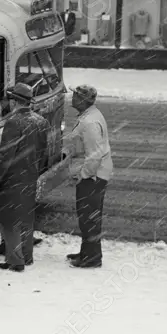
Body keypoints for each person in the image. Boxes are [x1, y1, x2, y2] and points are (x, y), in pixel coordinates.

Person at [0, 83, 48, 272]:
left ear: (15, 101)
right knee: (26, 217)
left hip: (13, 177)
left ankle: (15, 260)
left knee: (10, 220)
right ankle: (27, 255)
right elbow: (42, 152)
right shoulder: (40, 121)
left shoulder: (13, 122)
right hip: (30, 175)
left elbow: (6, 156)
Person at [64, 85, 113, 269]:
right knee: (88, 215)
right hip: (96, 173)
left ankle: (92, 257)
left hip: (93, 176)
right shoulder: (89, 116)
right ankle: (87, 251)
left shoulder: (90, 122)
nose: (72, 98)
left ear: (84, 100)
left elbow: (94, 154)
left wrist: (83, 175)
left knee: (89, 217)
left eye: (76, 96)